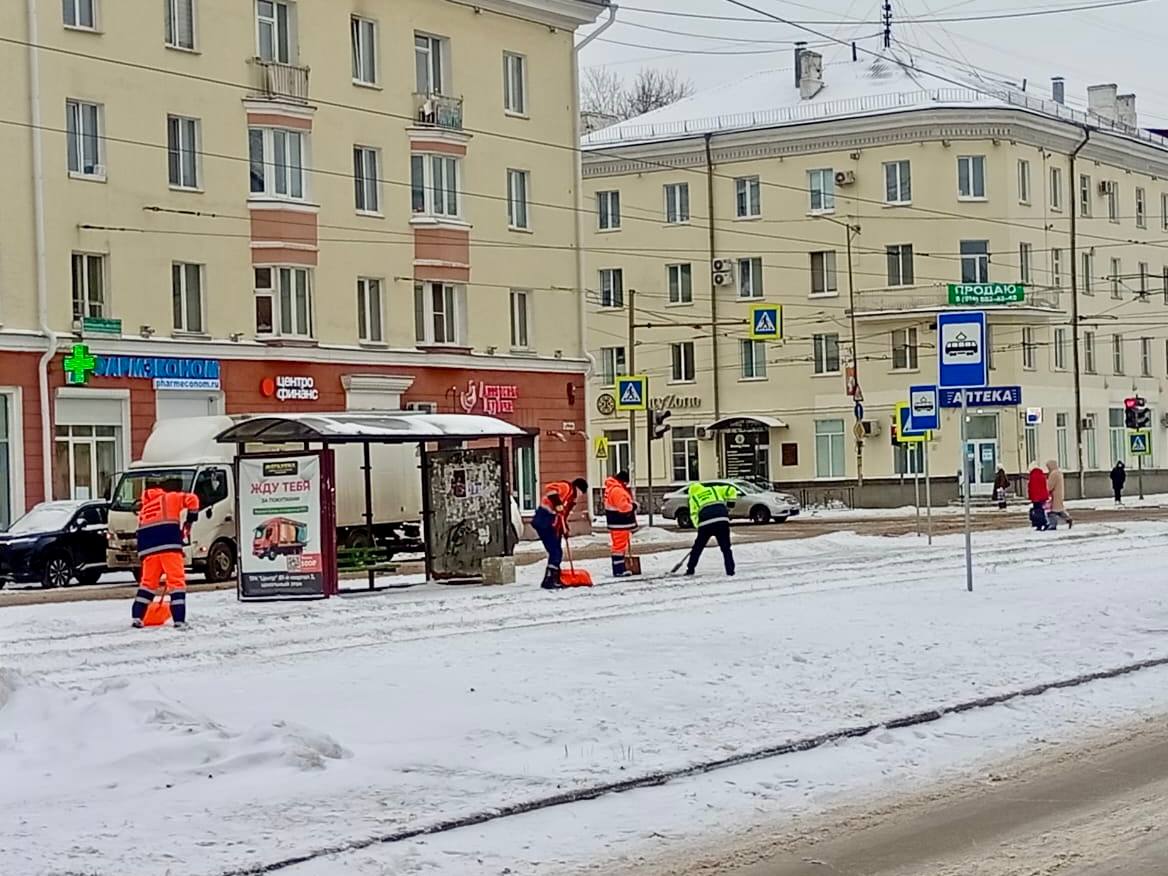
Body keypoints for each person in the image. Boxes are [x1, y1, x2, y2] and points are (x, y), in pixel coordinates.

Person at [132, 478, 199, 629]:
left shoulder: (144, 510)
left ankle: (137, 617)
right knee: (176, 583)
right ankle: (179, 620)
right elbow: (193, 499)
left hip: (148, 552)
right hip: (169, 547)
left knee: (147, 584)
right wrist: (190, 520)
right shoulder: (170, 498)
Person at [532, 477, 589, 590]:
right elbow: (550, 489)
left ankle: (554, 577)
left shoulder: (570, 499)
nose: (579, 496)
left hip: (551, 523)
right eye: (581, 494)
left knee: (556, 551)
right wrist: (557, 502)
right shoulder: (566, 487)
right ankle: (550, 579)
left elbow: (562, 515)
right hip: (544, 519)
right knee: (555, 551)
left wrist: (564, 529)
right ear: (578, 489)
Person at [684, 481, 738, 577]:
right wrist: (730, 504)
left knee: (698, 548)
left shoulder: (694, 498)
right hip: (722, 520)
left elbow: (693, 515)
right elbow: (732, 489)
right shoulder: (714, 489)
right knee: (726, 548)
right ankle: (730, 571)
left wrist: (699, 527)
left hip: (706, 523)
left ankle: (690, 569)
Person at [603, 470, 638, 577]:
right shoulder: (617, 490)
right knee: (619, 547)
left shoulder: (611, 488)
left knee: (618, 546)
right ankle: (619, 570)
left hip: (616, 523)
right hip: (620, 523)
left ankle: (619, 568)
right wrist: (633, 506)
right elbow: (623, 507)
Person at [1045, 459, 1072, 529]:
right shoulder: (1059, 473)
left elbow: (1050, 486)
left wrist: (1046, 489)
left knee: (1051, 512)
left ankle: (1053, 525)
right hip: (1059, 494)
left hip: (1054, 495)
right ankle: (1068, 518)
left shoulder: (1053, 474)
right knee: (1059, 510)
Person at [1027, 461, 1049, 531]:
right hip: (1042, 497)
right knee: (1041, 511)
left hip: (1036, 497)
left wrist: (1031, 497)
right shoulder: (1041, 475)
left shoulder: (1033, 476)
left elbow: (1032, 488)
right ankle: (1042, 523)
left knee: (1037, 511)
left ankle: (1041, 523)